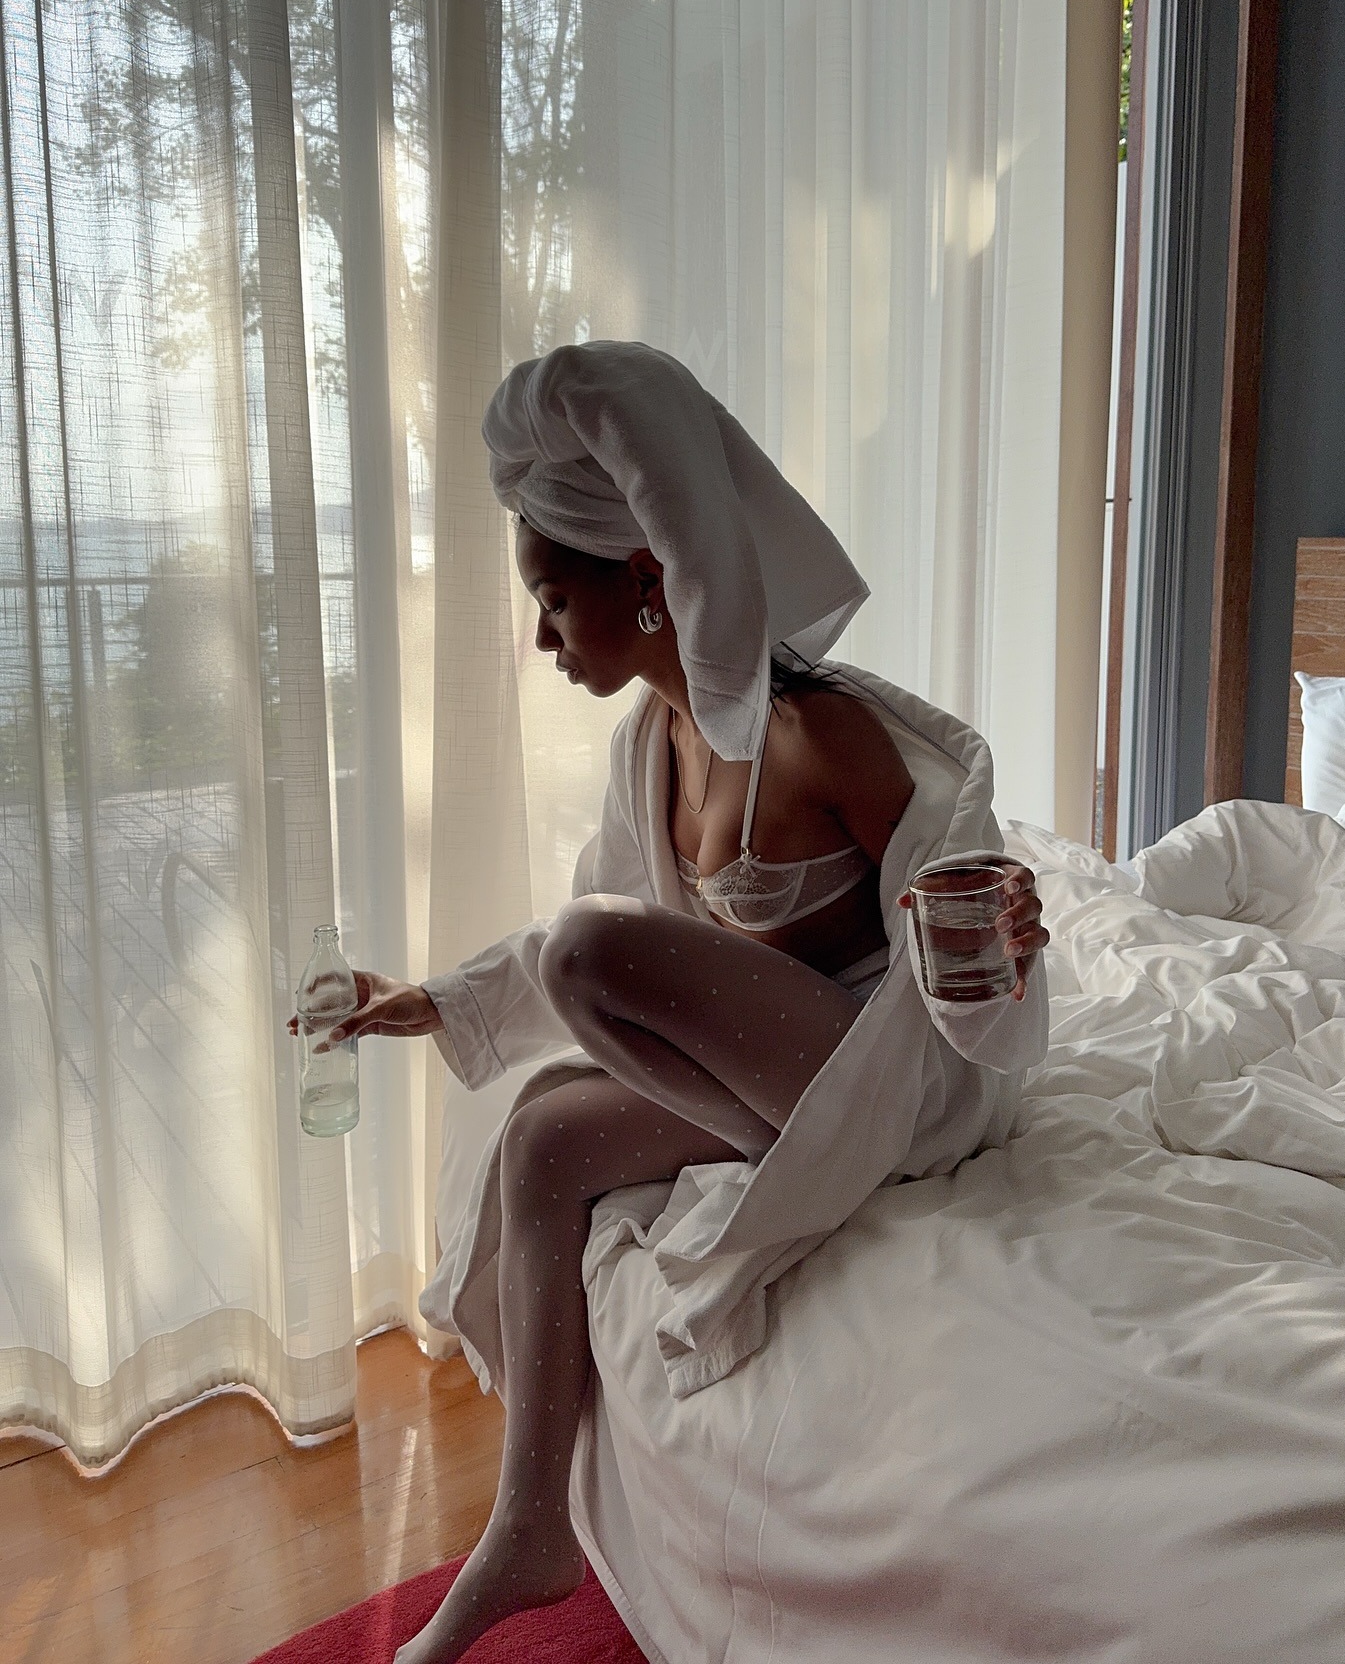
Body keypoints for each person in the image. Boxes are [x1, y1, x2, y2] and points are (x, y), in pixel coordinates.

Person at [297, 342, 1049, 1663]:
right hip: (772, 1094)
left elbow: (953, 952)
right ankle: (527, 1527)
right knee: (541, 1142)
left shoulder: (829, 740)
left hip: (888, 1091)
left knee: (592, 954)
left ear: (645, 578)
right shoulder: (649, 742)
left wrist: (1009, 945)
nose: (538, 635)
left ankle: (795, 1155)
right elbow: (602, 935)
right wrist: (420, 1000)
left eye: (551, 599)